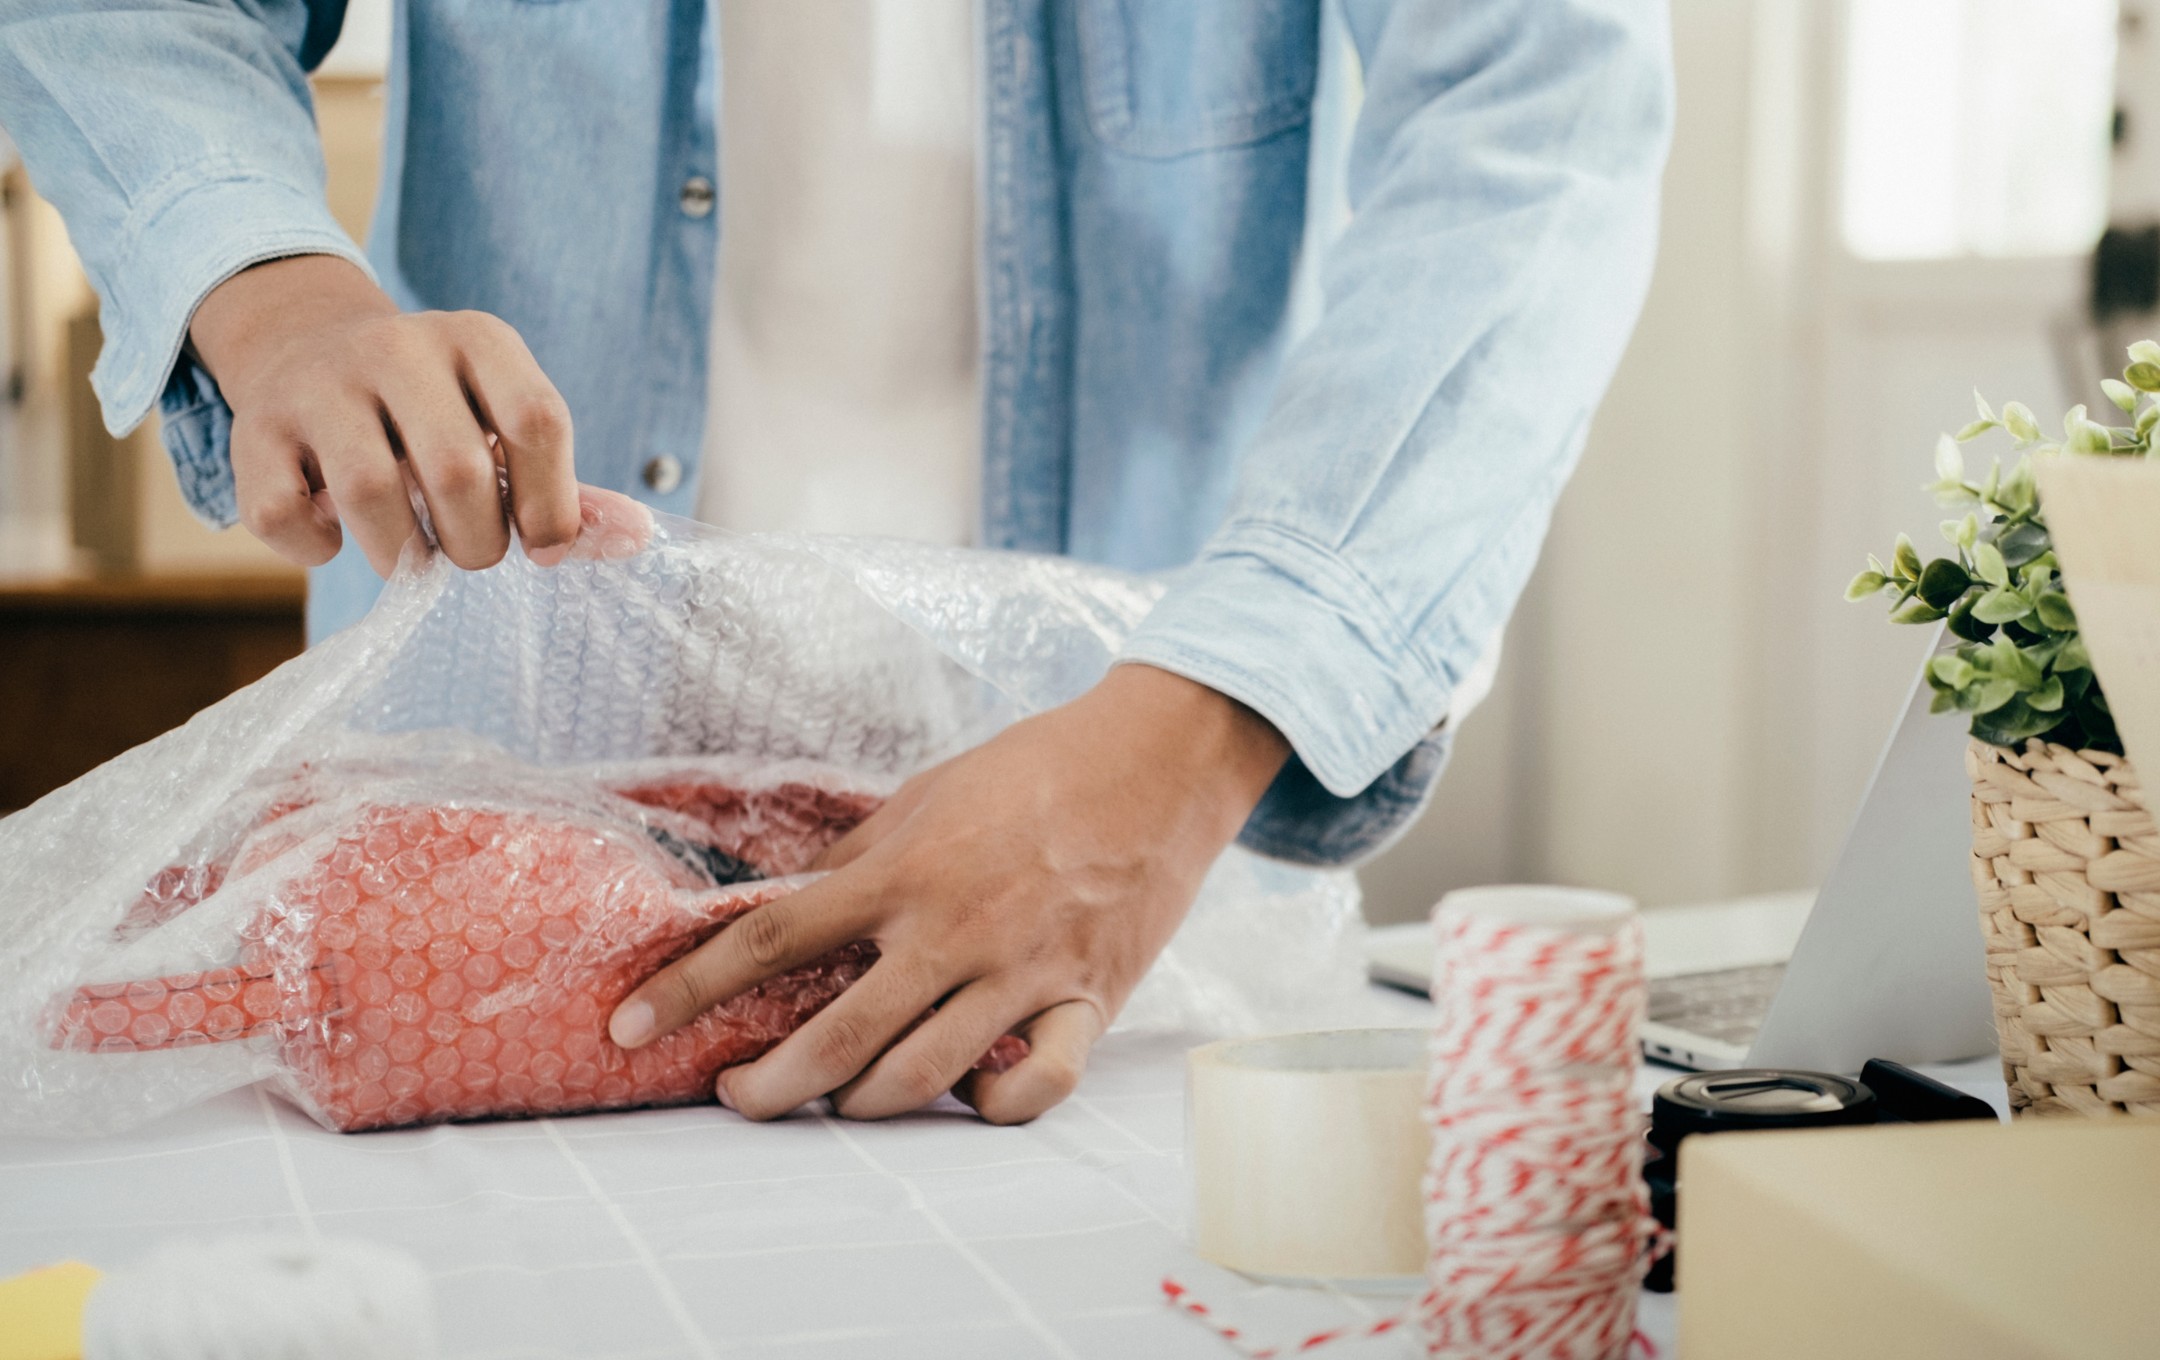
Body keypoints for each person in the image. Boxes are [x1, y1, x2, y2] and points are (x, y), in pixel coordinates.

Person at [0, 0, 1672, 1125]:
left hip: (1130, 865)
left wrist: (1206, 728)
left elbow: (1539, 101)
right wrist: (274, 287)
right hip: (483, 847)